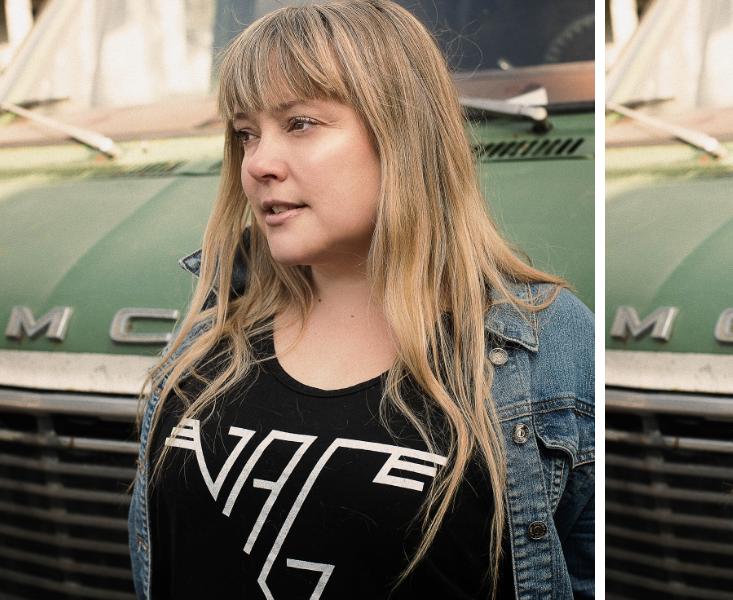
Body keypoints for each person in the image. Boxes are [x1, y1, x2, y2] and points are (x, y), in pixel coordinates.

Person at [126, 2, 594, 599]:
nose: (260, 164)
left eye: (300, 124)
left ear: (402, 133)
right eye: (247, 133)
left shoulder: (542, 344)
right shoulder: (214, 318)